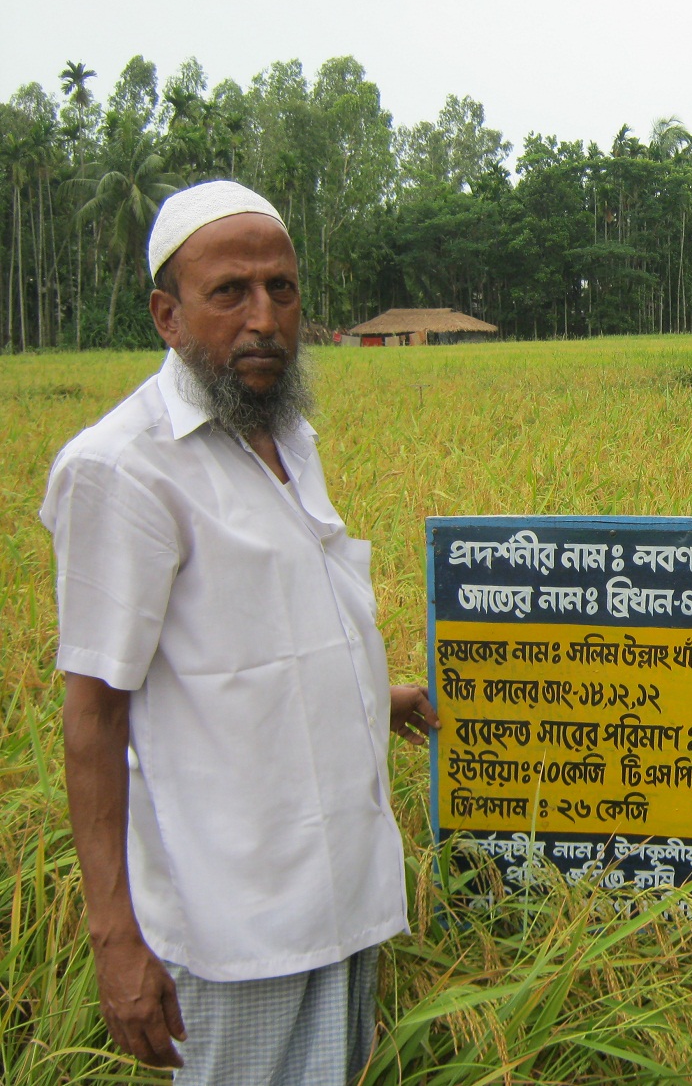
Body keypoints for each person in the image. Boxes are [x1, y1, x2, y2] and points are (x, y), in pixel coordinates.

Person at [40, 179, 438, 1084]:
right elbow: (93, 716)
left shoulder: (284, 432)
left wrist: (378, 696)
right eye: (230, 292)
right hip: (232, 928)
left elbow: (265, 645)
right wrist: (116, 942)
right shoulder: (122, 469)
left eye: (282, 289)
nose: (264, 317)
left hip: (340, 893)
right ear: (167, 314)